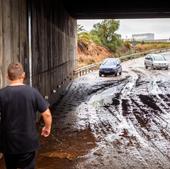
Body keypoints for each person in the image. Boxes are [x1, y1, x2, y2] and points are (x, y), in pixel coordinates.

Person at [0, 62, 52, 169]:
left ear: (8, 76)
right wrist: (47, 127)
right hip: (28, 142)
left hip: (8, 142)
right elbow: (46, 114)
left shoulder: (2, 94)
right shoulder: (32, 92)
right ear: (23, 75)